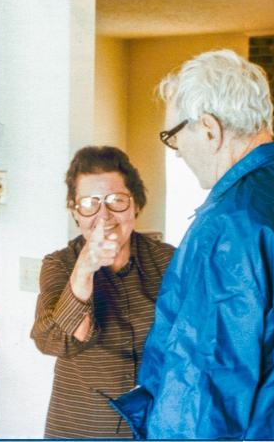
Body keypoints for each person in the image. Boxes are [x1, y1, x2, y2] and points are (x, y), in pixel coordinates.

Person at [110, 50, 274, 439]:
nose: (175, 153)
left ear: (209, 129)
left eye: (174, 138)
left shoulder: (230, 226)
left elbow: (201, 396)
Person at [31, 146, 175, 438]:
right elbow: (54, 342)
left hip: (154, 429)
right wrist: (84, 269)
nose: (104, 215)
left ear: (135, 205)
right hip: (81, 429)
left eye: (116, 201)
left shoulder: (169, 261)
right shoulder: (58, 264)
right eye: (89, 203)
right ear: (75, 211)